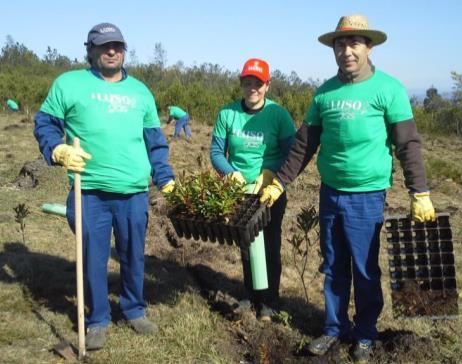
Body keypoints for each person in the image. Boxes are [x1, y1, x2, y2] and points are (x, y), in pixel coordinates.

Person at [260, 14, 436, 362]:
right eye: (340, 43)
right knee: (333, 265)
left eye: (354, 42)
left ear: (369, 47)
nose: (347, 50)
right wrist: (279, 182)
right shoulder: (325, 93)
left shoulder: (389, 89)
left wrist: (420, 191)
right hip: (330, 193)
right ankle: (333, 328)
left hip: (367, 196)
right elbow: (303, 144)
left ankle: (366, 334)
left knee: (365, 267)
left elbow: (408, 145)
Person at [33, 22, 175, 350]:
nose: (112, 51)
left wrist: (165, 179)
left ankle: (134, 309)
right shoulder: (69, 84)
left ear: (124, 51)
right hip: (89, 191)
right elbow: (44, 122)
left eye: (117, 46)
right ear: (91, 50)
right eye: (103, 46)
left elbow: (155, 142)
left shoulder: (141, 91)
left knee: (133, 255)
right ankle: (97, 319)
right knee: (93, 257)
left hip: (134, 191)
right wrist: (57, 149)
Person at [210, 58, 296, 321]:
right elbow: (215, 152)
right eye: (248, 82)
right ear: (241, 84)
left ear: (267, 85)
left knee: (270, 245)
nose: (253, 88)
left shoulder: (278, 115)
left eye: (258, 83)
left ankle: (270, 301)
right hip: (240, 193)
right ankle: (249, 295)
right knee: (246, 245)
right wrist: (230, 172)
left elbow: (291, 153)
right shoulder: (227, 114)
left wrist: (271, 175)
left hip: (269, 192)